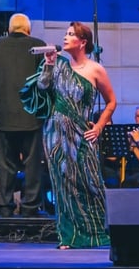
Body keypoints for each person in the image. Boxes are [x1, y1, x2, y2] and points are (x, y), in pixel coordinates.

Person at [20, 21, 116, 249]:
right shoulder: (58, 64)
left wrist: (99, 126)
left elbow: (111, 102)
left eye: (71, 34)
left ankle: (99, 232)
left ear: (83, 42)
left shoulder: (95, 69)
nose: (65, 37)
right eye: (65, 33)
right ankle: (69, 237)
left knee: (91, 182)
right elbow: (42, 87)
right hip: (55, 133)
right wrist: (49, 64)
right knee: (62, 185)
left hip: (82, 133)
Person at [0, 12, 48, 218]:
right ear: (28, 29)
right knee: (32, 165)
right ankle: (30, 208)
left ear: (9, 29)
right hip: (32, 116)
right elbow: (46, 81)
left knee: (6, 165)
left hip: (5, 115)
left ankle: (5, 208)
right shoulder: (38, 45)